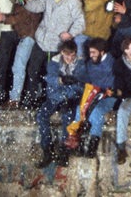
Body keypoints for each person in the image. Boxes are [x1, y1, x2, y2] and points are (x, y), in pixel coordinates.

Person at [26, 0, 85, 105]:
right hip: (42, 39)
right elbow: (38, 5)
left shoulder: (73, 2)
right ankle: (31, 98)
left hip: (58, 44)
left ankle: (52, 99)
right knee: (33, 69)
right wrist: (26, 3)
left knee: (53, 72)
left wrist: (70, 34)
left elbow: (80, 22)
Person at [35, 40, 83, 168]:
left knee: (67, 116)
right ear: (62, 53)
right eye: (67, 56)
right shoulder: (54, 63)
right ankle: (47, 150)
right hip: (55, 97)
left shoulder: (80, 63)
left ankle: (64, 150)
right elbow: (50, 82)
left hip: (72, 98)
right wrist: (61, 80)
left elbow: (80, 86)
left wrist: (66, 91)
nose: (70, 59)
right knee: (41, 115)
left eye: (72, 56)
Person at [70, 37, 116, 157]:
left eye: (93, 53)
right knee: (79, 110)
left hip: (108, 97)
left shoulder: (113, 63)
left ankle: (93, 144)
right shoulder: (90, 64)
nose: (91, 55)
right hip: (93, 94)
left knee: (96, 111)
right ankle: (78, 140)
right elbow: (86, 80)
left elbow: (113, 84)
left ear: (102, 52)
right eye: (90, 52)